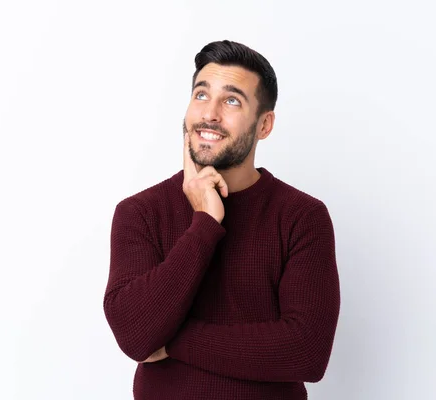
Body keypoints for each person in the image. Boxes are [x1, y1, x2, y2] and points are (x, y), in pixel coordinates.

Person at [104, 40, 340, 400]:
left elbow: (306, 352)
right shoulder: (140, 212)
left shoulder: (302, 217)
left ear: (265, 125)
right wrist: (204, 224)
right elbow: (135, 336)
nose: (209, 114)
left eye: (232, 100)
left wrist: (173, 340)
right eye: (201, 94)